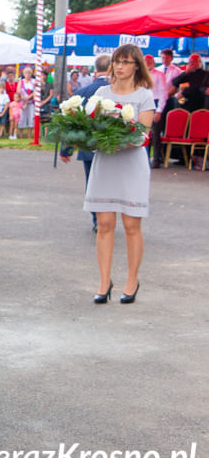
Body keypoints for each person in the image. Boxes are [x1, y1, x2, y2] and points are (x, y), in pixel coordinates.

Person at [78, 44, 155, 304]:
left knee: (132, 226)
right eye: (117, 61)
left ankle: (132, 281)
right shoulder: (101, 92)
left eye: (125, 62)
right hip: (105, 163)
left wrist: (116, 141)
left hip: (131, 164)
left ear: (136, 66)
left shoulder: (145, 96)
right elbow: (90, 126)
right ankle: (103, 282)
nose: (119, 66)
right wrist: (89, 138)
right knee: (105, 225)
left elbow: (143, 134)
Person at [59, 54, 111, 232]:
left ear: (95, 70)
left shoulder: (82, 92)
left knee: (92, 183)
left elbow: (71, 123)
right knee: (112, 183)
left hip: (89, 146)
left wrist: (65, 149)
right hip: (113, 147)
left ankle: (97, 219)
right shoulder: (117, 90)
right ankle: (108, 218)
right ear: (111, 69)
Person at [145, 55, 167, 168]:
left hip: (155, 103)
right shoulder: (140, 75)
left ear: (153, 62)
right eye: (146, 61)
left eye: (150, 61)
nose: (148, 63)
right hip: (144, 104)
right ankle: (145, 159)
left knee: (155, 134)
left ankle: (157, 159)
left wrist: (159, 110)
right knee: (144, 133)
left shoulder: (159, 74)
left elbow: (164, 93)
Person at [16, 67, 35, 138]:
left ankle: (29, 134)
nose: (28, 74)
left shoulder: (34, 81)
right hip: (22, 102)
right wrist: (23, 97)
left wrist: (29, 97)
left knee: (31, 117)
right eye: (26, 73)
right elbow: (18, 91)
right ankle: (21, 135)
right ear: (24, 74)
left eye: (29, 73)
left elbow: (36, 90)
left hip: (31, 102)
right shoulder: (21, 81)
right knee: (22, 117)